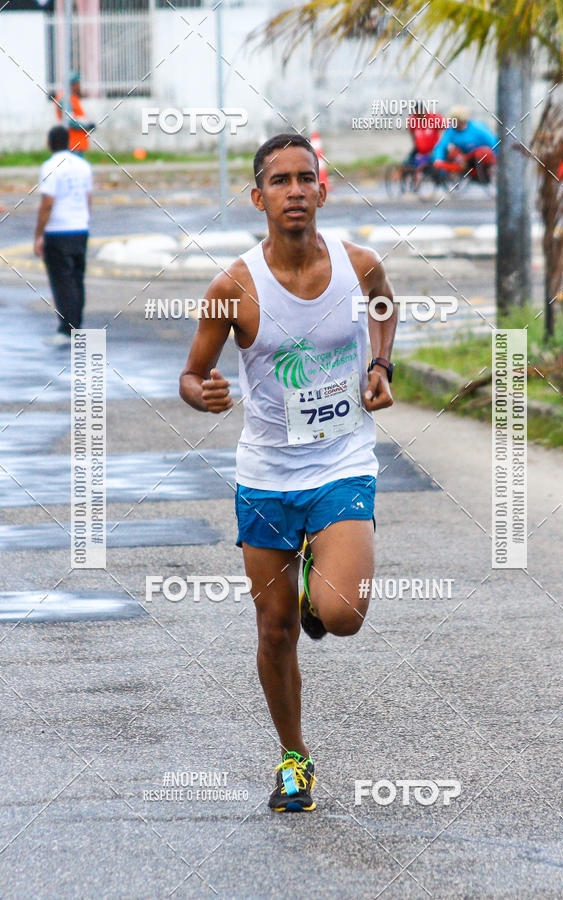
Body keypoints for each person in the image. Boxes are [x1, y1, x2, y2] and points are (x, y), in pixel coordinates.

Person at [180, 133, 397, 812]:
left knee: (343, 613)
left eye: (307, 178)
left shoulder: (357, 266)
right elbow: (192, 373)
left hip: (340, 463)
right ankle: (294, 758)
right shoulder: (233, 287)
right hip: (267, 475)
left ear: (323, 192)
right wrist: (204, 391)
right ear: (258, 197)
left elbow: (385, 305)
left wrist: (380, 366)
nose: (295, 190)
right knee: (272, 630)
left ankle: (316, 595)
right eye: (280, 181)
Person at [34, 125, 93, 347]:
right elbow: (88, 199)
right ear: (69, 142)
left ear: (49, 143)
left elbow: (47, 203)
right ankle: (76, 324)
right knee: (77, 277)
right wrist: (85, 220)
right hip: (80, 228)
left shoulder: (49, 167)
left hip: (58, 230)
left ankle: (66, 329)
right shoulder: (83, 166)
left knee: (62, 280)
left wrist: (39, 234)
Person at [431, 105, 497, 184]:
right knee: (451, 152)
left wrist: (496, 160)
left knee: (481, 153)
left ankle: (482, 175)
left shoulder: (477, 127)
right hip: (464, 158)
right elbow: (441, 145)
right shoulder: (451, 130)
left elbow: (493, 141)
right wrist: (438, 159)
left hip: (480, 157)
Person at [54, 72, 94, 155]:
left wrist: (88, 123)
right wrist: (86, 126)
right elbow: (69, 121)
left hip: (77, 143)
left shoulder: (72, 97)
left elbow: (77, 117)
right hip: (72, 144)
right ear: (71, 85)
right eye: (77, 84)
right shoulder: (65, 99)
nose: (79, 86)